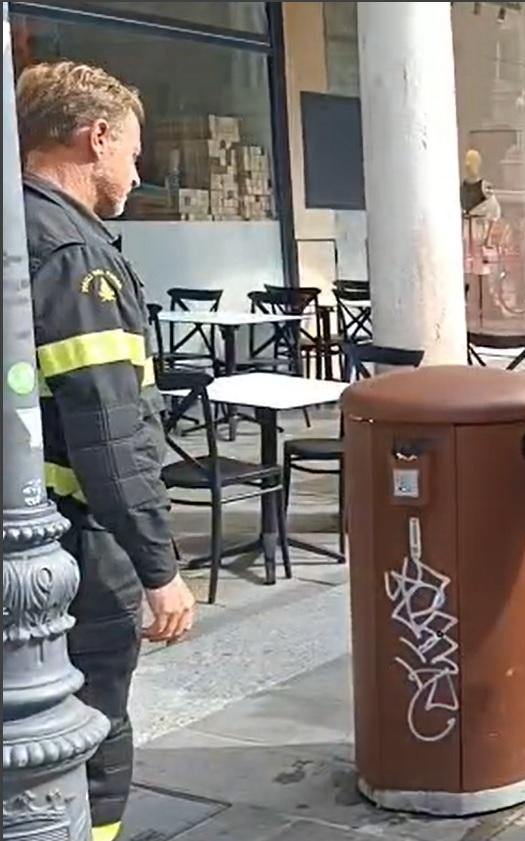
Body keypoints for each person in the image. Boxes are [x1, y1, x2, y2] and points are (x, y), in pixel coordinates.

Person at [17, 60, 196, 841]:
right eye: (130, 149)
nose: (136, 169)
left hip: (25, 530)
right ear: (95, 139)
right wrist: (159, 567)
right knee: (89, 725)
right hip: (74, 547)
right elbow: (111, 431)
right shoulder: (75, 254)